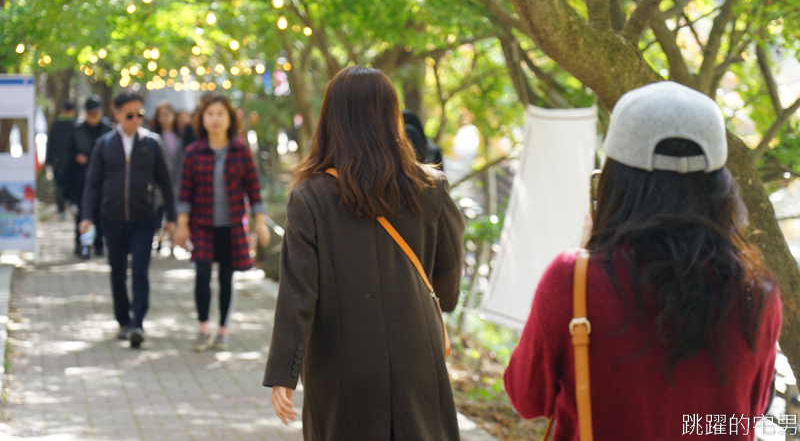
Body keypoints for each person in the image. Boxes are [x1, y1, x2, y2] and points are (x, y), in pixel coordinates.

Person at [503, 82, 781, 440]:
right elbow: (751, 411)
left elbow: (526, 398)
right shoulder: (756, 292)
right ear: (720, 188)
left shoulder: (573, 280)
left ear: (615, 183)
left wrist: (587, 258)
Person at [262, 66, 465, 440]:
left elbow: (297, 294)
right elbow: (448, 287)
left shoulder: (309, 198)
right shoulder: (430, 187)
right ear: (392, 119)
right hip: (417, 355)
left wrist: (283, 375)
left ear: (330, 119)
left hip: (341, 364)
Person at [173, 94, 271, 352]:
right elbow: (184, 193)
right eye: (210, 114)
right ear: (202, 119)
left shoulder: (240, 151)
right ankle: (203, 327)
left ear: (229, 119)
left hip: (231, 226)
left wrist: (259, 222)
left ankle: (223, 330)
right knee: (202, 273)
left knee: (226, 278)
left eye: (220, 114)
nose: (215, 119)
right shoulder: (194, 152)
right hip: (202, 224)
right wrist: (181, 225)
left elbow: (254, 189)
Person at [79, 92, 176, 348]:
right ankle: (123, 320)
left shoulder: (152, 143)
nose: (135, 119)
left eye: (140, 114)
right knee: (118, 271)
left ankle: (138, 323)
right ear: (118, 114)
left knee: (141, 270)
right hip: (112, 218)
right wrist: (87, 216)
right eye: (130, 115)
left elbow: (165, 183)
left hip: (144, 218)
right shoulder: (105, 144)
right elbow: (92, 183)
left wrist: (171, 218)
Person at [67, 95, 112, 257]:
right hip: (82, 179)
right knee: (82, 213)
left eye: (96, 112)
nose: (94, 115)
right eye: (91, 112)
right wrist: (76, 157)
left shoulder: (108, 130)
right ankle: (82, 243)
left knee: (101, 213)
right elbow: (68, 152)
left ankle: (99, 244)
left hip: (102, 179)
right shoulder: (77, 129)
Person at [150, 101, 184, 254]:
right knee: (157, 214)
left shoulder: (180, 138)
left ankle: (171, 242)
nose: (165, 118)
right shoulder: (152, 139)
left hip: (176, 183)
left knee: (173, 213)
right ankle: (158, 239)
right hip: (158, 185)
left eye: (167, 114)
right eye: (161, 115)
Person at [46, 100, 76, 219]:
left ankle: (61, 210)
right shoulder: (75, 124)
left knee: (59, 185)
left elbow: (51, 142)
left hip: (57, 160)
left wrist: (49, 160)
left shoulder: (56, 123)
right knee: (71, 183)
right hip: (72, 161)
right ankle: (73, 204)